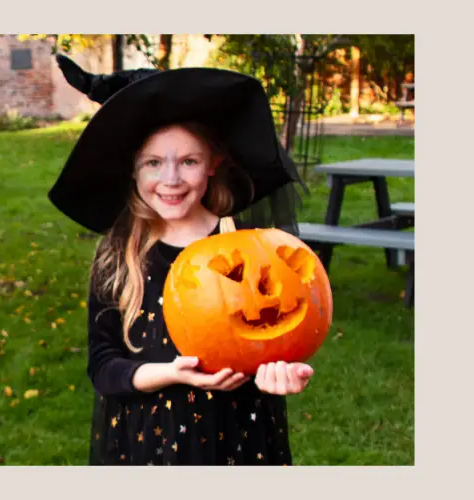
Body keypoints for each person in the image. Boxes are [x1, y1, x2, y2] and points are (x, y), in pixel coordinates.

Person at [48, 55, 314, 466]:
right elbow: (103, 366)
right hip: (149, 442)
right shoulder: (120, 256)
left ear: (213, 164)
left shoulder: (248, 247)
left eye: (188, 161)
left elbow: (273, 332)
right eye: (154, 163)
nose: (170, 180)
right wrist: (170, 373)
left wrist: (279, 373)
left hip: (240, 438)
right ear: (133, 169)